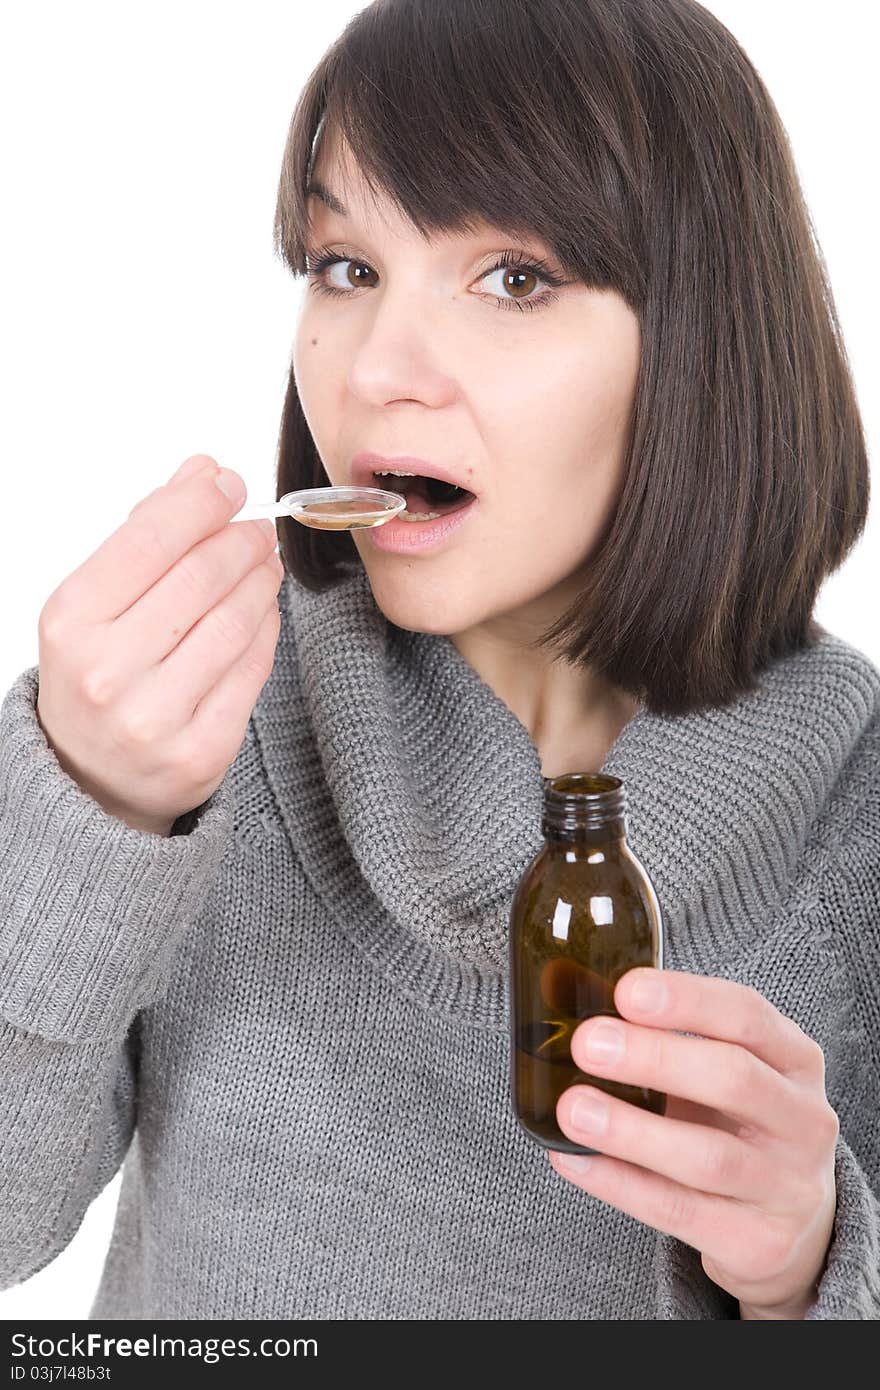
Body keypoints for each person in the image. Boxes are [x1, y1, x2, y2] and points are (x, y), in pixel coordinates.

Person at [1, 0, 877, 1320]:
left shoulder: (859, 804)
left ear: (704, 339)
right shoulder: (204, 721)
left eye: (513, 278)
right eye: (344, 266)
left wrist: (809, 1263)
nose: (373, 373)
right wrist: (87, 813)